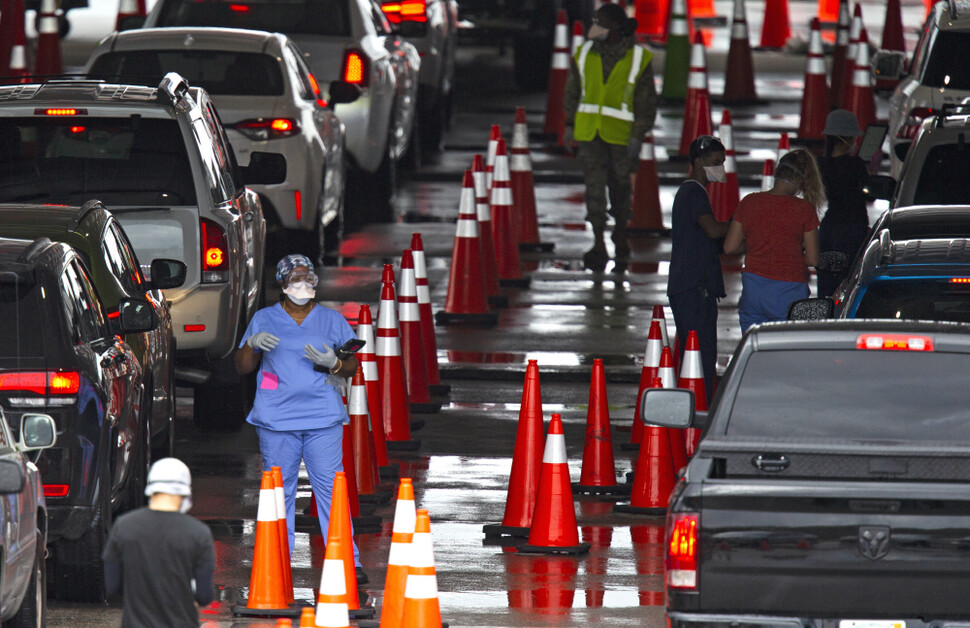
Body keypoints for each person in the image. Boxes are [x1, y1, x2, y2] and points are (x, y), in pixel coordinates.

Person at [234, 254, 361, 566]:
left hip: (323, 417)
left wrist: (334, 362)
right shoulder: (264, 319)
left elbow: (351, 366)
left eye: (308, 278)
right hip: (277, 419)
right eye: (295, 278)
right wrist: (252, 344)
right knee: (279, 491)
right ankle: (276, 561)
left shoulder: (332, 320)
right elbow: (242, 366)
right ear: (283, 284)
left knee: (332, 491)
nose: (303, 284)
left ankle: (347, 559)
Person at [563, 2, 658, 273]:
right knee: (594, 189)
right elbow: (572, 91)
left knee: (619, 188)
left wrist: (638, 135)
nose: (595, 26)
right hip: (589, 132)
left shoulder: (638, 59)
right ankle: (597, 243)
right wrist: (569, 123)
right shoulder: (583, 54)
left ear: (615, 26)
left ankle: (620, 234)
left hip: (621, 136)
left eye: (600, 22)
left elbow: (646, 102)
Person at [103, 457, 215, 628]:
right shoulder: (199, 533)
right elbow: (204, 595)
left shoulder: (124, 527)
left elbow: (112, 586)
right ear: (184, 492)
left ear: (151, 489)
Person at [725, 149, 823, 333]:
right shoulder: (804, 209)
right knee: (785, 350)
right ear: (802, 180)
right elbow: (812, 259)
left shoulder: (749, 202)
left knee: (754, 346)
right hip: (789, 291)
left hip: (752, 290)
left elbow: (730, 247)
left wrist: (756, 242)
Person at [667, 135, 730, 403]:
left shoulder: (694, 193)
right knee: (700, 357)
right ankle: (698, 414)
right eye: (716, 162)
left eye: (722, 163)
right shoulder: (693, 191)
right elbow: (714, 229)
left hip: (692, 287)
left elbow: (716, 243)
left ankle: (696, 410)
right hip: (694, 289)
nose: (721, 168)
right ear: (698, 162)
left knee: (698, 356)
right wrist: (744, 221)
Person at [817, 109, 870, 297]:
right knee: (848, 285)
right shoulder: (855, 165)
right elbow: (869, 194)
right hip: (852, 230)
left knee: (826, 285)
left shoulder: (820, 163)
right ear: (846, 138)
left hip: (829, 230)